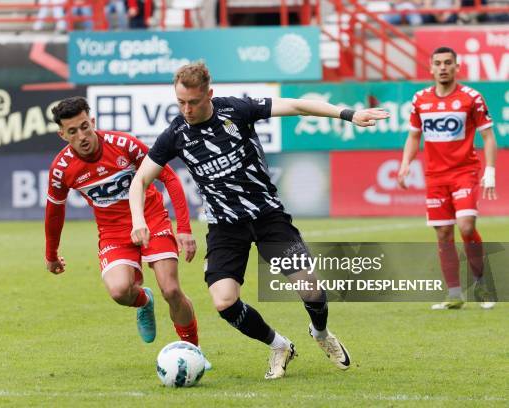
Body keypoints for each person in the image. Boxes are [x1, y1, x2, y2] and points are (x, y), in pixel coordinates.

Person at [128, 62, 390, 379]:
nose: (187, 109)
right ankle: (279, 346)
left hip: (267, 216)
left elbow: (295, 105)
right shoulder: (176, 134)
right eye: (181, 102)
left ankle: (320, 333)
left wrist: (347, 114)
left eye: (193, 102)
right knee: (224, 301)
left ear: (208, 94)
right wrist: (137, 218)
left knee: (310, 288)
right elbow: (140, 180)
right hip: (225, 226)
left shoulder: (237, 110)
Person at [44, 97, 210, 369]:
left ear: (93, 122)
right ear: (62, 134)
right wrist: (51, 254)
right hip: (113, 233)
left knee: (170, 289)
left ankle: (194, 353)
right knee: (120, 291)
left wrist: (184, 228)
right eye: (72, 131)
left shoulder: (124, 144)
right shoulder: (62, 169)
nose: (82, 136)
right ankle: (144, 300)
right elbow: (54, 211)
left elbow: (168, 176)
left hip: (152, 219)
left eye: (85, 126)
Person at [398, 46, 497, 310]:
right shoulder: (420, 99)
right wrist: (406, 163)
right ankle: (454, 294)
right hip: (435, 176)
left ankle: (482, 284)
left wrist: (490, 171)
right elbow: (414, 136)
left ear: (456, 67)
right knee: (443, 233)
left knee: (465, 226)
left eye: (448, 63)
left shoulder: (471, 97)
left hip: (465, 172)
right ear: (430, 68)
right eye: (438, 63)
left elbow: (488, 136)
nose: (443, 67)